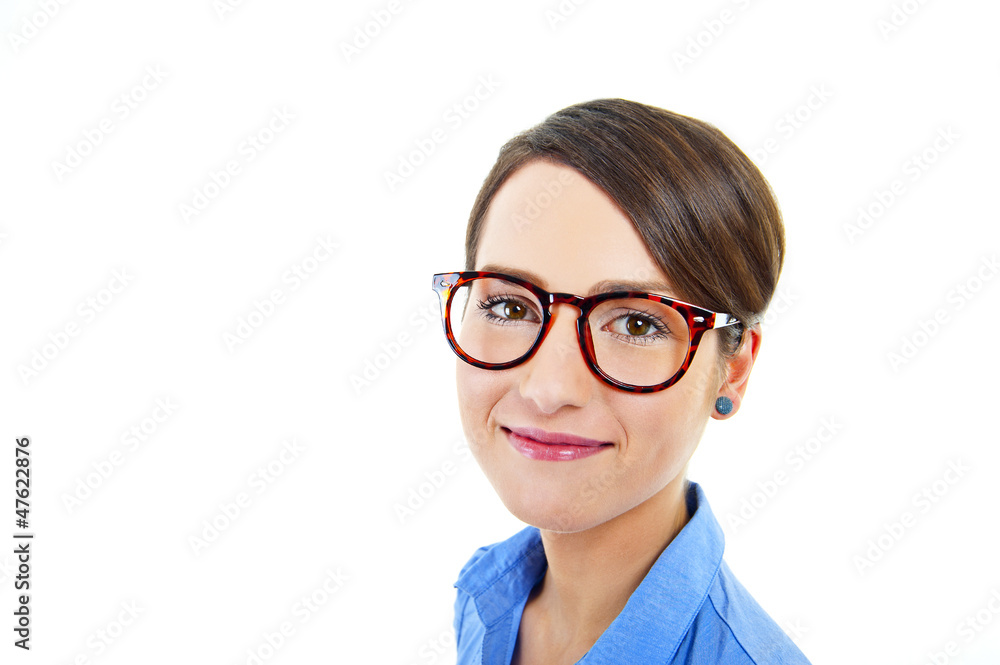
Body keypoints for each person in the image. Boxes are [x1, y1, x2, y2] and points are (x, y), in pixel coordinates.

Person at [433, 99, 812, 664]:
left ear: (733, 370)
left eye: (636, 323)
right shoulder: (490, 599)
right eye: (511, 308)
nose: (548, 389)